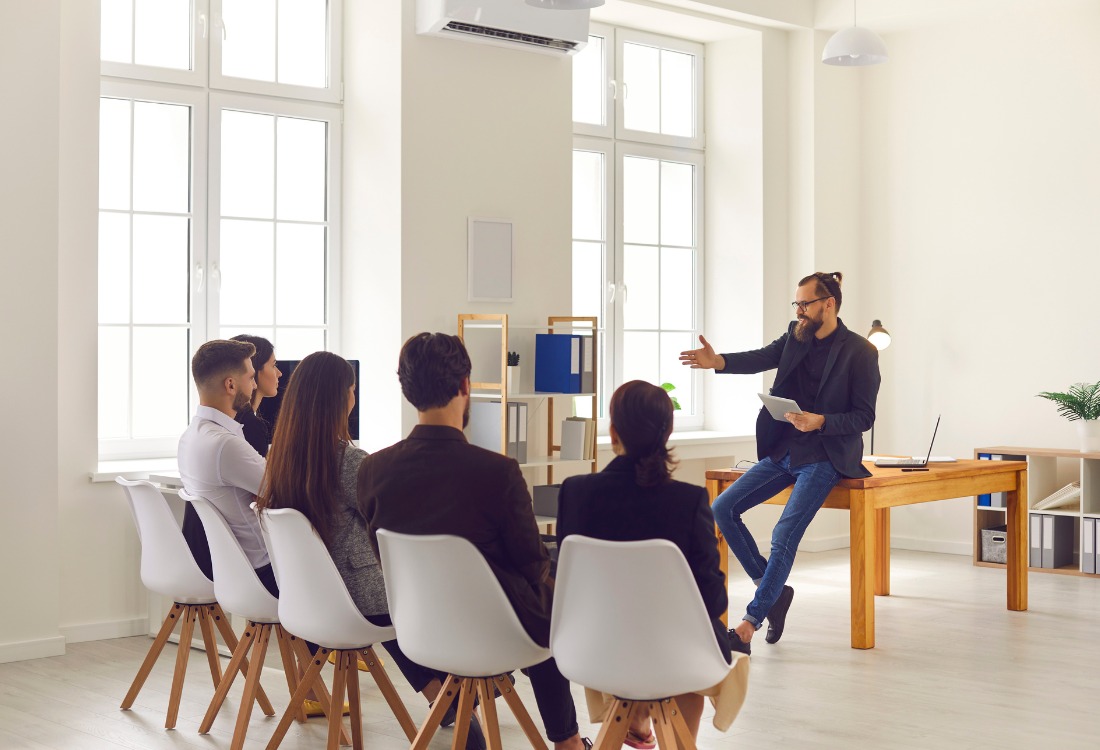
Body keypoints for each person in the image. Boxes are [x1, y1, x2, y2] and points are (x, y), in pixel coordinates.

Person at [358, 333, 589, 750]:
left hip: (421, 630)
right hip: (497, 633)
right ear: (465, 386)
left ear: (407, 389)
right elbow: (532, 566)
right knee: (554, 586)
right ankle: (569, 741)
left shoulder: (372, 471)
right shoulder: (496, 471)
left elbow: (387, 561)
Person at [253, 351, 484, 747]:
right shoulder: (349, 461)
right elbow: (396, 522)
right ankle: (465, 701)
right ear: (341, 399)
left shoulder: (280, 460)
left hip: (310, 603)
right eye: (352, 391)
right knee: (438, 595)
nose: (353, 398)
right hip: (359, 601)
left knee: (406, 604)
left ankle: (450, 700)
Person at [680, 271, 880, 652]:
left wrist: (821, 420)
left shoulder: (860, 351)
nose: (800, 311)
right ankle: (775, 594)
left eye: (806, 304)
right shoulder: (795, 334)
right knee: (722, 508)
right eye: (797, 304)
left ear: (829, 304)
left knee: (783, 534)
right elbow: (760, 357)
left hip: (825, 455)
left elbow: (864, 417)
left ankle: (747, 625)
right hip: (783, 449)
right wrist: (717, 361)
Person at [556, 380, 747, 747]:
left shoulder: (575, 493)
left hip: (594, 650)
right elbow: (713, 602)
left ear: (613, 432)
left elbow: (567, 584)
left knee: (657, 643)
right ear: (668, 432)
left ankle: (638, 718)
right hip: (672, 657)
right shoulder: (689, 501)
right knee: (693, 643)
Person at [177, 339, 274, 594]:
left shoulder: (190, 437)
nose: (254, 385)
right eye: (251, 377)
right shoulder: (225, 445)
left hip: (232, 570)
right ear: (230, 385)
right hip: (262, 574)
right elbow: (285, 488)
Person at [229, 334, 281, 457]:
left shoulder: (232, 418)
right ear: (253, 369)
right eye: (273, 365)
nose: (279, 373)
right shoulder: (252, 427)